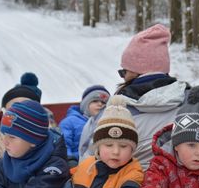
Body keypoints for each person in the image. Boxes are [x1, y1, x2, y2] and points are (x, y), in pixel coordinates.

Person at [79, 24, 190, 169]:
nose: (123, 77)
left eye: (124, 72)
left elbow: (87, 159)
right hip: (177, 187)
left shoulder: (114, 110)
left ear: (136, 71)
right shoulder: (191, 102)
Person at [72, 95, 144, 188]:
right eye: (109, 145)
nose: (115, 152)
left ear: (132, 150)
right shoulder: (86, 166)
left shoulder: (133, 171)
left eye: (123, 146)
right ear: (98, 147)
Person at [59, 85, 109, 166]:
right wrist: (71, 160)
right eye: (95, 101)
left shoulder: (107, 123)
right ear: (86, 104)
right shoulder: (70, 122)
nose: (100, 104)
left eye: (103, 102)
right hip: (74, 163)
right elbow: (64, 145)